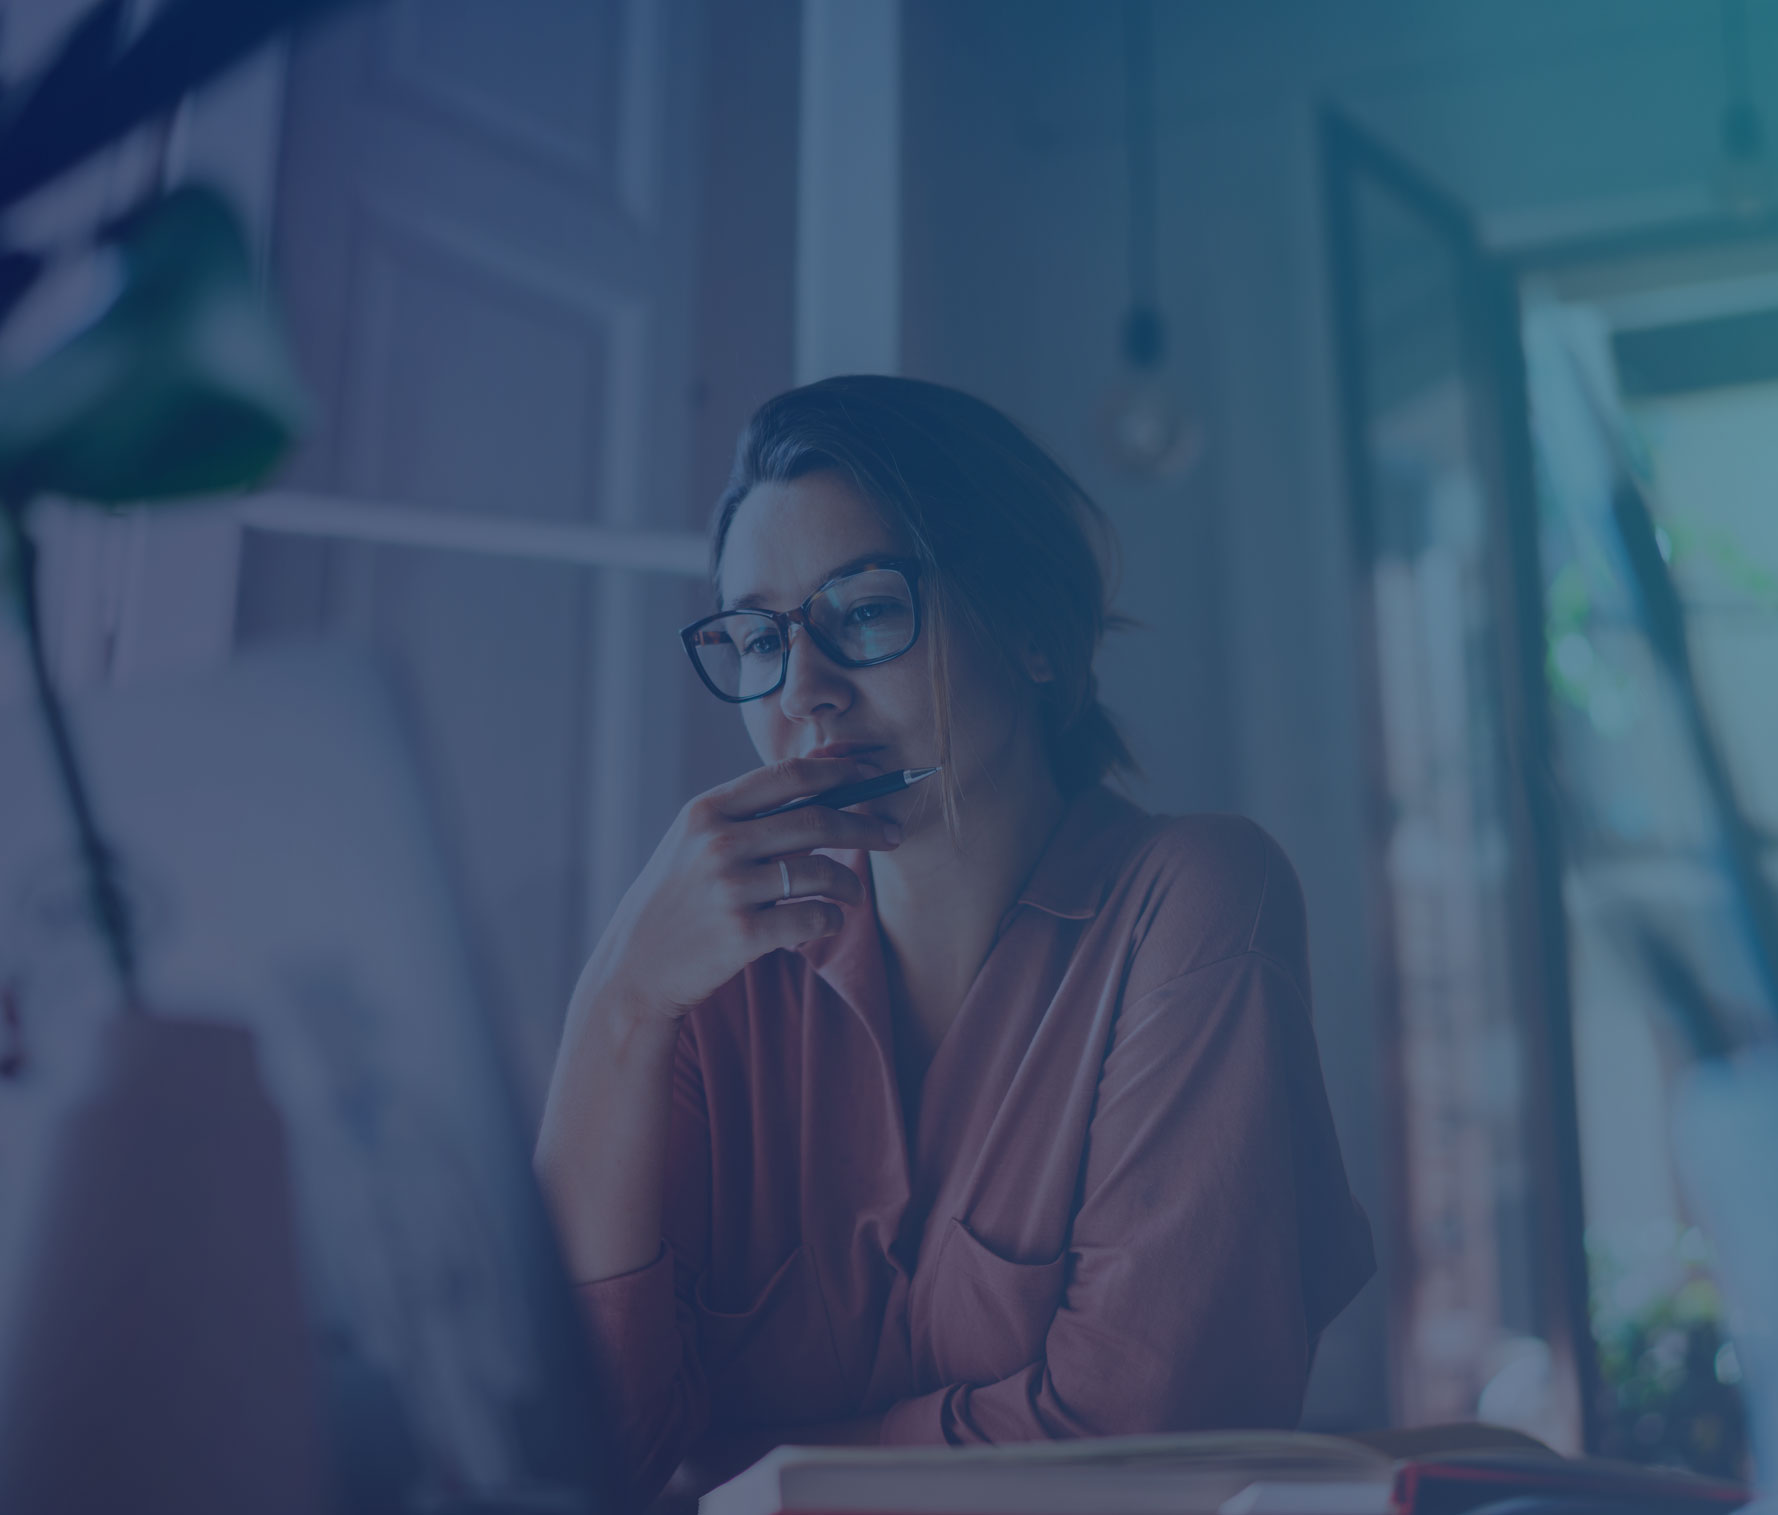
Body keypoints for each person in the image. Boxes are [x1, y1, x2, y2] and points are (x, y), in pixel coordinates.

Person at [535, 375, 1375, 1509]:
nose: (805, 697)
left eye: (866, 610)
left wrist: (742, 1473)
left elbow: (1138, 1443)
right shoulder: (704, 986)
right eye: (757, 639)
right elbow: (570, 1458)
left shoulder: (1192, 902)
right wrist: (618, 1003)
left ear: (1030, 628)